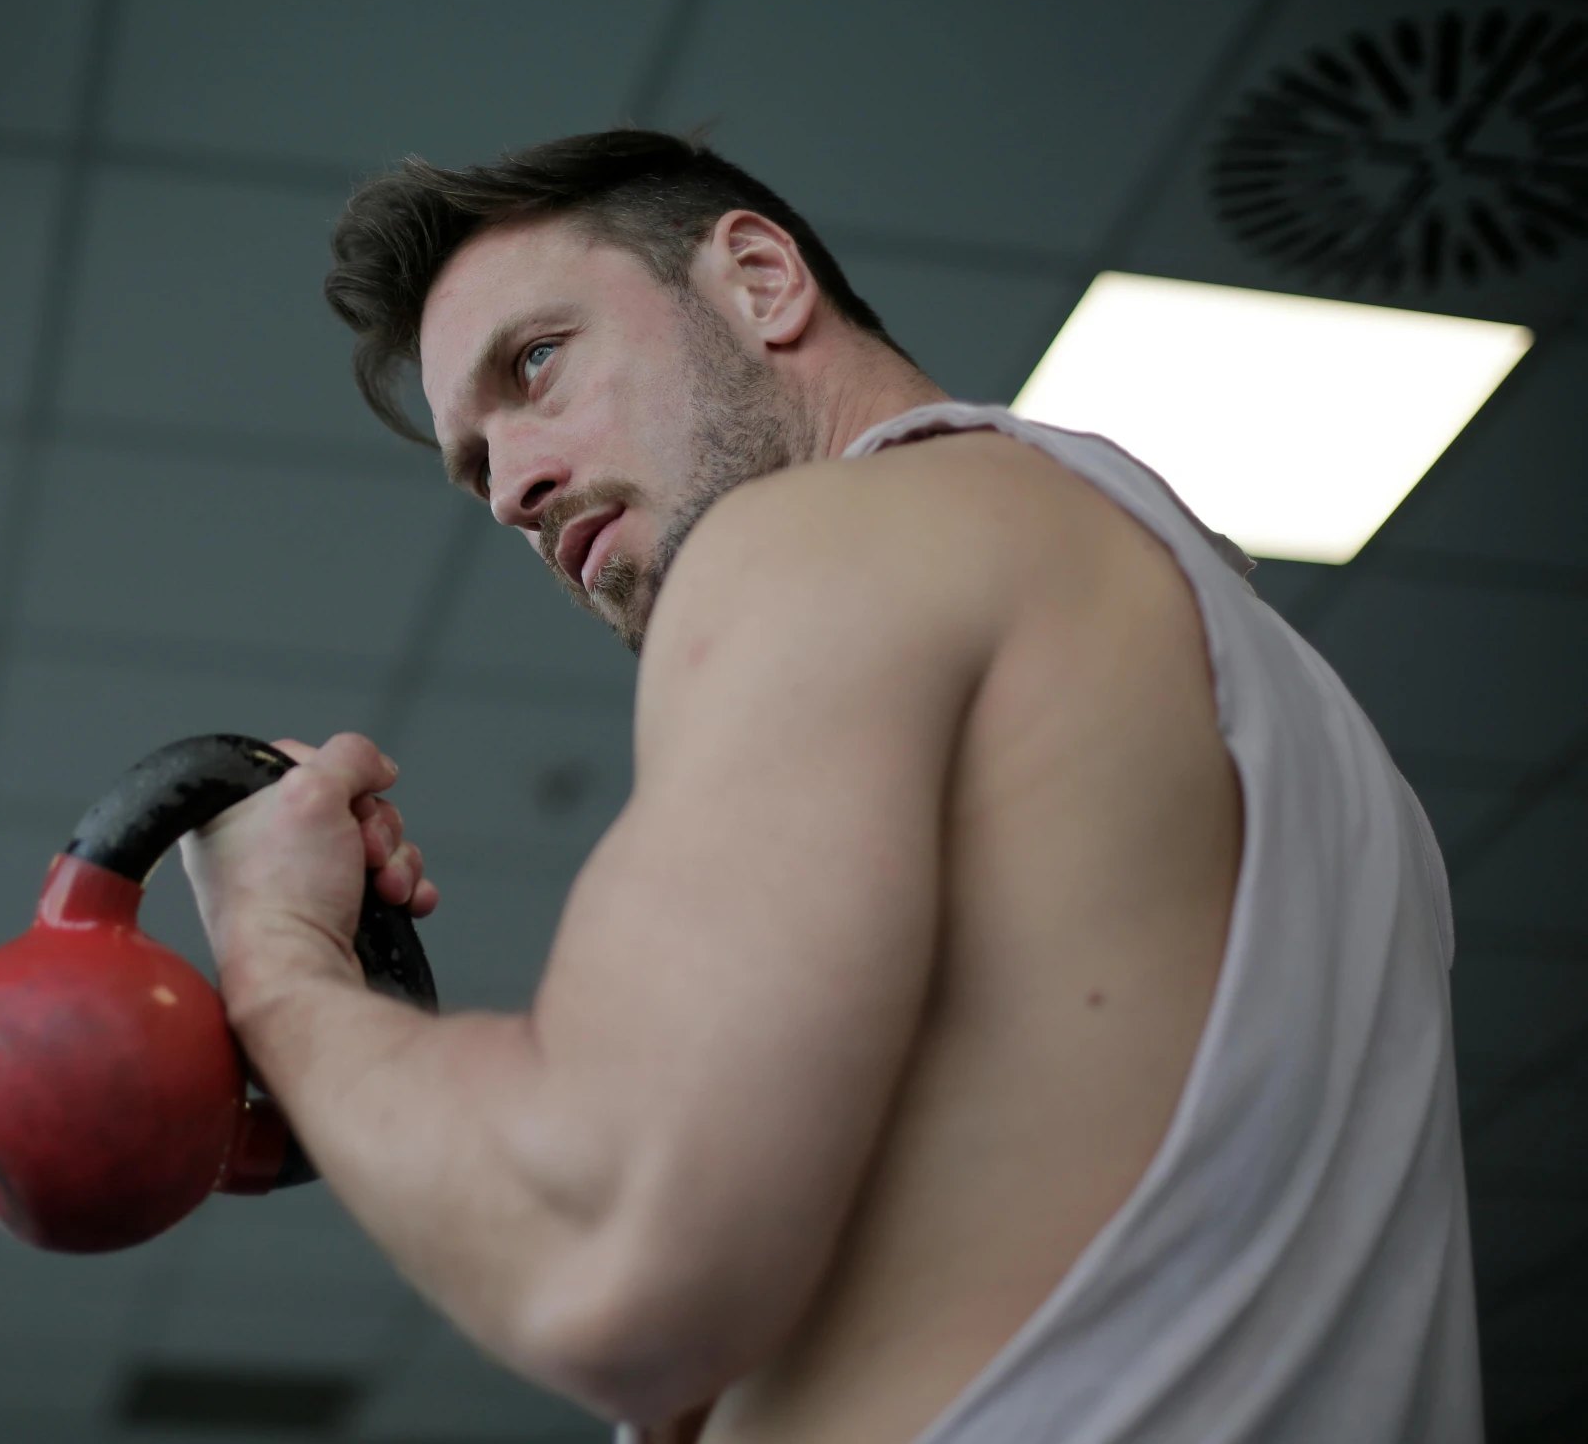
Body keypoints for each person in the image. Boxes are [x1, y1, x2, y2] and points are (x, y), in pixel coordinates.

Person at [179, 130, 1481, 1444]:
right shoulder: (1270, 701)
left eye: (536, 362)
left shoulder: (821, 533)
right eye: (476, 465)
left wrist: (277, 953)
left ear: (757, 279)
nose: (514, 486)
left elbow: (609, 1255)